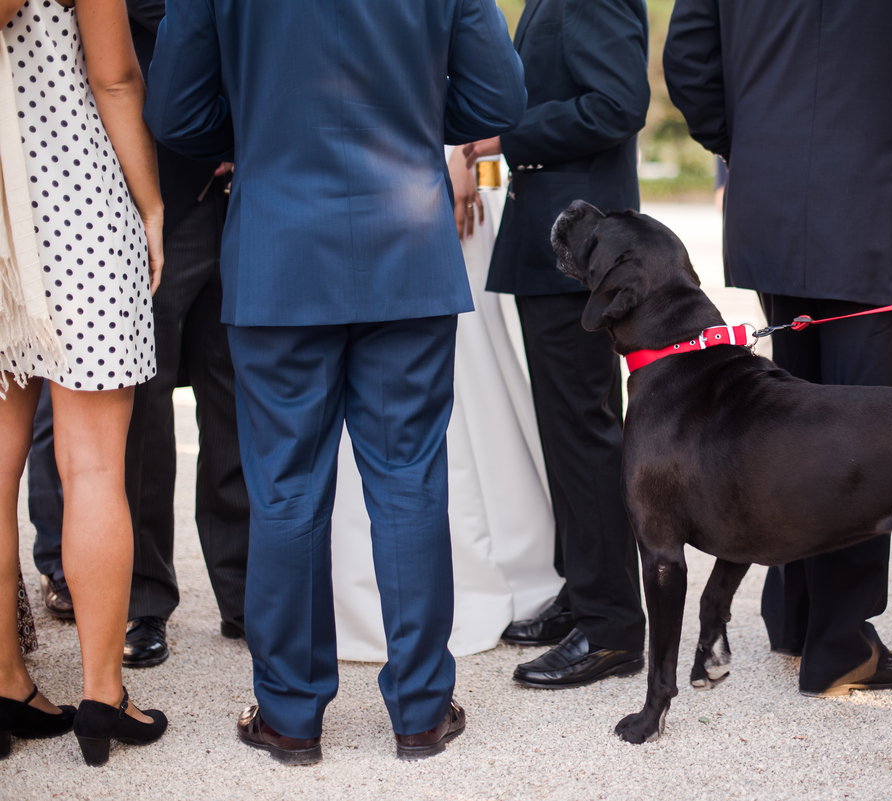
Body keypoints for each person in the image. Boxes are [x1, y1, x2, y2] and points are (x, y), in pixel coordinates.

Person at [144, 0, 527, 763]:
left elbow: (175, 109)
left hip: (280, 248)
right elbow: (499, 99)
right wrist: (414, 111)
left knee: (284, 487)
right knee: (410, 480)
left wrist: (258, 125)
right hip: (406, 247)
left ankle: (290, 715)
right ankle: (420, 709)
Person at [665, 0, 892, 697]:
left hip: (778, 199)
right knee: (872, 438)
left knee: (789, 422)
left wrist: (752, 142)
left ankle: (795, 613)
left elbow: (688, 58)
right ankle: (839, 638)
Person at [22, 0, 249, 669]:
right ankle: (144, 606)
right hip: (146, 199)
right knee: (141, 424)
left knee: (236, 407)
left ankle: (243, 595)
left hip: (237, 200)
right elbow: (122, 61)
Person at [463, 0, 650, 690]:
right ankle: (586, 590)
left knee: (584, 431)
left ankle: (611, 630)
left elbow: (617, 103)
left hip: (584, 247)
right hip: (557, 243)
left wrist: (502, 136)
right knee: (568, 430)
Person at [1, 0, 168, 765]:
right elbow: (116, 78)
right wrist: (153, 203)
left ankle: (8, 680)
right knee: (95, 466)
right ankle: (105, 696)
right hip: (77, 204)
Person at [330, 146, 562, 661]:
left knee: (468, 374)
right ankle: (383, 592)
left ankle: (421, 586)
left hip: (415, 173)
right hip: (414, 166)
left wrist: (464, 152)